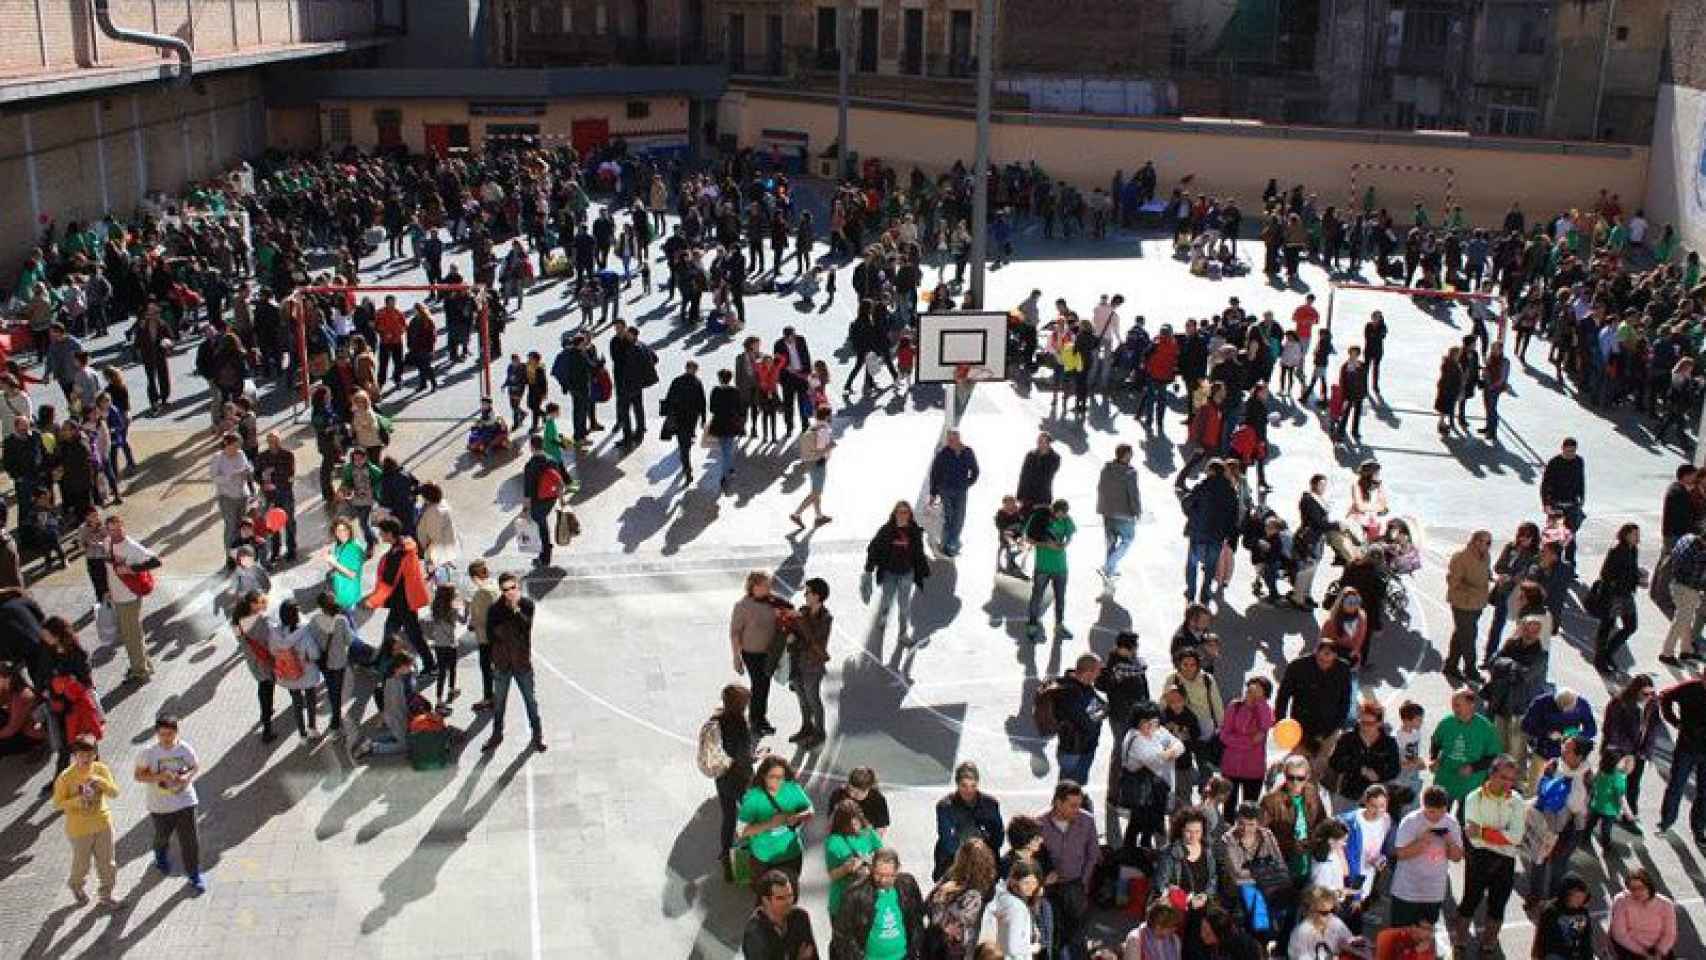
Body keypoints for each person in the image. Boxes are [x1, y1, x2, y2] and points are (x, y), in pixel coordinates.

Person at [1454, 755, 1524, 947]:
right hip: (1479, 858)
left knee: (1498, 905)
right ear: (1491, 774)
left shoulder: (1517, 800)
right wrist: (1502, 838)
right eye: (1503, 777)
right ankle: (1460, 938)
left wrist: (1484, 832)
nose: (1508, 783)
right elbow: (1473, 837)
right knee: (1470, 901)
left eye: (1511, 779)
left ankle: (1490, 940)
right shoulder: (1473, 797)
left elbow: (1517, 837)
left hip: (1506, 861)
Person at [134, 714, 204, 891]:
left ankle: (194, 873)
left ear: (176, 733)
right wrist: (159, 776)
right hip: (160, 805)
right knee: (162, 836)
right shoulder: (148, 753)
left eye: (170, 734)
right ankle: (160, 855)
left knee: (190, 839)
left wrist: (186, 777)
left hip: (185, 801)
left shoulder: (184, 749)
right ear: (157, 734)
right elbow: (138, 776)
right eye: (163, 734)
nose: (166, 738)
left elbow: (195, 766)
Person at [54, 735, 120, 907]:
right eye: (81, 755)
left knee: (108, 863)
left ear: (95, 753)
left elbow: (114, 793)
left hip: (102, 824)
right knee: (82, 865)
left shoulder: (101, 769)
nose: (85, 759)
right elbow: (57, 804)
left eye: (89, 755)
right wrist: (76, 801)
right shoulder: (66, 776)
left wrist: (102, 782)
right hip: (79, 830)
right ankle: (76, 886)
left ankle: (106, 894)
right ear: (75, 755)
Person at [483, 572, 545, 753]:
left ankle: (537, 733)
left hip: (521, 663)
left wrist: (515, 609)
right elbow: (490, 636)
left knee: (530, 701)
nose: (509, 592)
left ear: (517, 586)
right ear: (501, 590)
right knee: (499, 702)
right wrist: (493, 661)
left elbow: (525, 627)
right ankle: (497, 733)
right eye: (505, 589)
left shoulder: (526, 605)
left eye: (512, 588)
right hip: (502, 664)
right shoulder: (494, 609)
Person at [1038, 781, 1099, 960]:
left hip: (1075, 886)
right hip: (1050, 889)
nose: (1077, 810)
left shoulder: (1087, 820)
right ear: (1058, 803)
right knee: (1053, 933)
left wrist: (1083, 881)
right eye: (1073, 805)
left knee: (1077, 936)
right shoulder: (1040, 823)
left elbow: (1093, 853)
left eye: (1079, 805)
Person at [1273, 641, 1352, 780]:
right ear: (1316, 652)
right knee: (1297, 763)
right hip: (1302, 725)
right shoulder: (1298, 667)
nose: (1324, 664)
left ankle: (1310, 790)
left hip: (1329, 727)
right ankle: (1279, 773)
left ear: (1335, 656)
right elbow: (1283, 696)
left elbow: (1345, 700)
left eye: (1329, 661)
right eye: (1321, 660)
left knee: (1318, 766)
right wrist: (1281, 722)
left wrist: (1338, 726)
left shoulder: (1343, 669)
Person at [1387, 786, 1464, 927]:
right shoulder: (1410, 821)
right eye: (1432, 812)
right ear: (1423, 806)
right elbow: (1401, 854)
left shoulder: (1451, 823)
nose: (1437, 816)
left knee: (1425, 938)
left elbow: (1457, 857)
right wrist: (1421, 841)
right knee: (1400, 934)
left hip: (1433, 892)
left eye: (1442, 811)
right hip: (1406, 891)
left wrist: (1450, 841)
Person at [831, 847, 924, 960]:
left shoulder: (907, 885)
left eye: (889, 875)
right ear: (871, 869)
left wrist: (915, 950)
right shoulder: (855, 894)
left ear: (897, 870)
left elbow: (917, 918)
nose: (883, 880)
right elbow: (841, 935)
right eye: (878, 874)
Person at [1116, 700, 1183, 850]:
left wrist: (1169, 752)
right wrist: (1169, 753)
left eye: (1153, 722)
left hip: (1154, 791)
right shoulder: (1135, 738)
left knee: (1146, 827)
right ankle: (1130, 856)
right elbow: (1155, 761)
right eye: (1145, 722)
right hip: (1140, 791)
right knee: (1136, 826)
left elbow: (1179, 745)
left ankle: (1144, 853)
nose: (1150, 726)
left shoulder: (1157, 731)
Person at [864, 501, 932, 646]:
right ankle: (883, 616)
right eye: (900, 512)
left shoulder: (914, 531)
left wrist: (922, 570)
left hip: (907, 574)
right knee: (887, 599)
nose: (902, 515)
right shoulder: (886, 530)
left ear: (910, 515)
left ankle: (903, 633)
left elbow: (919, 552)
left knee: (904, 605)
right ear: (894, 514)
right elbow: (873, 549)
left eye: (906, 512)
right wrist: (868, 570)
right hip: (889, 573)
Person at [739, 755, 814, 885]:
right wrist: (770, 824)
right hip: (763, 858)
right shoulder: (753, 797)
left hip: (791, 855)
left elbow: (810, 810)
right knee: (764, 893)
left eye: (781, 777)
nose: (778, 781)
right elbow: (741, 832)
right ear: (763, 776)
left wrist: (797, 817)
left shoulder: (792, 788)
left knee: (790, 890)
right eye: (772, 777)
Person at [104, 514, 161, 683]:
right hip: (117, 594)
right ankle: (144, 665)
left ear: (123, 526)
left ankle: (140, 671)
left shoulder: (131, 546)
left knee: (131, 636)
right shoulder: (108, 542)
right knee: (132, 633)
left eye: (117, 529)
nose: (114, 533)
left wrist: (132, 569)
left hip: (129, 596)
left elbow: (155, 561)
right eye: (110, 530)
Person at [1429, 688, 1503, 811]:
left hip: (1471, 785)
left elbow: (1494, 757)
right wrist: (1433, 759)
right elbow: (1436, 743)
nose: (1454, 709)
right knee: (1439, 819)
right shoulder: (1446, 723)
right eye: (1453, 705)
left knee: (1465, 822)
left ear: (1471, 705)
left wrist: (1473, 767)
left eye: (1457, 705)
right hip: (1445, 781)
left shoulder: (1485, 728)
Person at [924, 838, 997, 960]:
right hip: (962, 944)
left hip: (949, 948)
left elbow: (940, 922)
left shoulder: (973, 894)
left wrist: (941, 895)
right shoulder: (984, 883)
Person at [934, 762, 1005, 881]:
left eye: (973, 785)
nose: (969, 790)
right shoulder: (945, 806)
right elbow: (947, 839)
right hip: (954, 859)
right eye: (964, 786)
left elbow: (998, 835)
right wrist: (966, 859)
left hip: (984, 856)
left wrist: (983, 855)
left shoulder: (991, 804)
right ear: (957, 785)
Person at [731, 571, 782, 736]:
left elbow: (787, 612)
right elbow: (735, 633)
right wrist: (736, 657)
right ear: (754, 587)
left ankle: (760, 718)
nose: (769, 588)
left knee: (764, 685)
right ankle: (756, 720)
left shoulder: (773, 601)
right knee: (760, 684)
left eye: (769, 585)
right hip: (751, 653)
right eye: (765, 585)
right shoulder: (742, 606)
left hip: (769, 652)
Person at [1656, 672, 1706, 841]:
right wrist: (1674, 720)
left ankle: (1699, 829)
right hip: (1687, 746)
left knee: (1704, 792)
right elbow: (1665, 696)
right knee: (1676, 785)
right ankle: (1666, 821)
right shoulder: (1689, 688)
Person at [1053, 655, 1108, 805]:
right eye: (1097, 671)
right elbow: (1088, 722)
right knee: (1068, 787)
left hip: (1079, 747)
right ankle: (1066, 809)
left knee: (1071, 783)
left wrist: (1099, 710)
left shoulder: (1080, 686)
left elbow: (1099, 708)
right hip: (1075, 749)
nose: (1099, 674)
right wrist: (1100, 711)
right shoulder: (1071, 693)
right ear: (1088, 672)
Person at [786, 578, 832, 748]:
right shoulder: (802, 612)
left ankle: (820, 732)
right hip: (797, 663)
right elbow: (797, 636)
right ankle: (806, 726)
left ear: (817, 596)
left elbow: (815, 641)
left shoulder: (826, 618)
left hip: (812, 666)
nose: (805, 595)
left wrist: (799, 622)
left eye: (808, 592)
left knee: (813, 699)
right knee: (802, 699)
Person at [1592, 523, 1643, 673]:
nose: (1637, 537)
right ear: (1626, 535)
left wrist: (1637, 577)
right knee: (1606, 627)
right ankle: (1600, 660)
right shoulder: (1616, 550)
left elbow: (1631, 569)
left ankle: (1608, 653)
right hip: (1613, 595)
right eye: (1635, 534)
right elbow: (1605, 574)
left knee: (1631, 626)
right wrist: (1625, 579)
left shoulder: (1633, 550)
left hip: (1626, 593)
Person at [1445, 530, 1494, 684]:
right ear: (1474, 541)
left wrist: (1492, 577)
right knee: (1468, 637)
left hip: (1478, 604)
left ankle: (1451, 665)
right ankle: (1470, 669)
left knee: (1461, 635)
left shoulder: (1486, 557)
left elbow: (1485, 572)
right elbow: (1453, 582)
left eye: (1487, 542)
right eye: (1481, 541)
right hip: (1463, 604)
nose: (1484, 545)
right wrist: (1474, 590)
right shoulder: (1460, 558)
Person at [1329, 701, 1401, 805]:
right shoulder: (1347, 738)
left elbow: (1395, 769)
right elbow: (1334, 762)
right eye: (1362, 722)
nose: (1365, 727)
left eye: (1370, 724)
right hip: (1348, 794)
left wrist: (1379, 776)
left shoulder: (1389, 743)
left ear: (1379, 723)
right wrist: (1360, 769)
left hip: (1376, 798)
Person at [1025, 499, 1077, 640]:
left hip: (1061, 567)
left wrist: (1065, 544)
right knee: (1037, 596)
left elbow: (1070, 535)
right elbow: (1028, 538)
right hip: (1043, 566)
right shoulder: (1039, 517)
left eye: (1064, 514)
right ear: (1054, 510)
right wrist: (1045, 545)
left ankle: (1059, 625)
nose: (1062, 517)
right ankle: (1032, 624)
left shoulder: (1066, 518)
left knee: (1060, 598)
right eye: (1060, 514)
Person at [825, 798, 884, 918]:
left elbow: (883, 855)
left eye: (856, 821)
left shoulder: (868, 832)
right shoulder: (834, 841)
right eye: (849, 823)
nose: (854, 825)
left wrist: (865, 859)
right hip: (843, 904)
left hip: (868, 901)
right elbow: (832, 875)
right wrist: (846, 869)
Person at [742, 870, 819, 960]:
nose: (788, 902)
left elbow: (812, 956)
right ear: (766, 900)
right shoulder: (755, 934)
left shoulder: (800, 917)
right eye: (781, 898)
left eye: (790, 895)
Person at [521, 434, 570, 569]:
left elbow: (527, 491)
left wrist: (525, 510)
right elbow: (559, 481)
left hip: (538, 500)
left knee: (542, 525)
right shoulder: (552, 460)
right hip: (551, 498)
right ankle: (545, 551)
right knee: (543, 523)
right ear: (542, 445)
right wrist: (561, 500)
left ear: (531, 447)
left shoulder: (530, 465)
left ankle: (545, 555)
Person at [928, 430, 980, 557]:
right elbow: (935, 473)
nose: (951, 442)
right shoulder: (943, 454)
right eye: (949, 440)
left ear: (959, 439)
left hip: (961, 490)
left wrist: (968, 483)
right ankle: (946, 544)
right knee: (949, 517)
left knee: (959, 517)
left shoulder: (968, 452)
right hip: (945, 490)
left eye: (953, 439)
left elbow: (975, 470)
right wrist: (933, 492)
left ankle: (952, 543)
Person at [1097, 444, 1141, 589]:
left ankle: (1109, 571)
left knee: (1111, 543)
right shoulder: (1130, 472)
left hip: (1108, 512)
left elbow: (1100, 488)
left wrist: (1103, 508)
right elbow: (1133, 494)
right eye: (1130, 454)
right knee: (1128, 539)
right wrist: (1137, 511)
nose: (1131, 456)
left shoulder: (1106, 469)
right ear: (1125, 455)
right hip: (1125, 514)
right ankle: (1109, 566)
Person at [981, 858, 1044, 959]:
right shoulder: (1016, 907)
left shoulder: (1003, 897)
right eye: (1026, 883)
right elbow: (1013, 947)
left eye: (1034, 882)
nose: (1031, 887)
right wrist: (1034, 948)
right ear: (1015, 881)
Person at [1609, 868, 1677, 960]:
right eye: (1632, 889)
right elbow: (1620, 934)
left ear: (1649, 886)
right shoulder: (1621, 900)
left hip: (1657, 948)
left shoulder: (1666, 904)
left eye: (1641, 888)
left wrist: (1659, 952)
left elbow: (1669, 934)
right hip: (1630, 947)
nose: (1636, 892)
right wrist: (1643, 953)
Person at [1540, 438, 1586, 565]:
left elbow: (1581, 480)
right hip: (1556, 503)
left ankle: (1570, 562)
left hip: (1572, 504)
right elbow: (1545, 484)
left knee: (1570, 535)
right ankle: (1555, 561)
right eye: (1568, 451)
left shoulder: (1579, 461)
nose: (1571, 454)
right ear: (1562, 448)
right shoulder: (1554, 462)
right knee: (1555, 535)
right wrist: (1546, 503)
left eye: (1573, 451)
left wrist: (1582, 497)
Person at [1287, 885, 1363, 959]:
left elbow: (1349, 941)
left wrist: (1354, 942)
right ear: (1310, 912)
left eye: (1333, 910)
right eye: (1324, 913)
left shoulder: (1335, 923)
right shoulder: (1303, 932)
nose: (1330, 915)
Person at [790, 406, 836, 529]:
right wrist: (830, 446)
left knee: (816, 491)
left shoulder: (814, 426)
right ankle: (797, 514)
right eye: (830, 415)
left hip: (810, 463)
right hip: (818, 463)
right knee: (816, 492)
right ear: (827, 416)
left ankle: (819, 517)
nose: (832, 417)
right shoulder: (823, 430)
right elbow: (820, 450)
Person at [664, 359, 709, 482]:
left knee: (683, 445)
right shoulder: (697, 383)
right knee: (685, 445)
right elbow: (702, 402)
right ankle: (687, 468)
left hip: (679, 418)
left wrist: (668, 414)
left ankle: (687, 468)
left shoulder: (677, 381)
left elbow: (669, 398)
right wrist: (703, 418)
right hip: (690, 419)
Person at [1532, 875, 1596, 960]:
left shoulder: (1581, 913)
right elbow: (1543, 939)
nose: (1580, 901)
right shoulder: (1551, 911)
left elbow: (1585, 939)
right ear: (1567, 895)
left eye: (1582, 898)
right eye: (1577, 897)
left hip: (1574, 953)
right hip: (1555, 953)